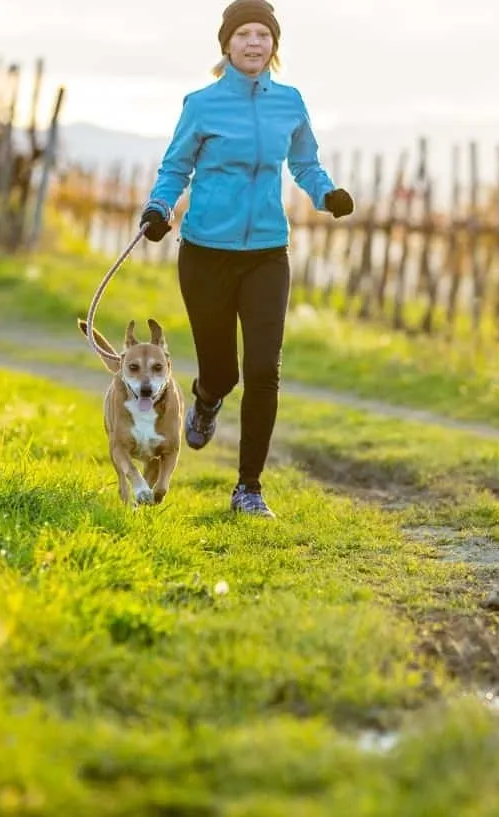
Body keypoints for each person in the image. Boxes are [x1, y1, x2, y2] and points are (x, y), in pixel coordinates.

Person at [137, 0, 354, 519]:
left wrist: (327, 195)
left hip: (266, 255)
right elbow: (175, 169)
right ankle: (207, 398)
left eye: (263, 35)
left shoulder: (290, 102)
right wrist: (158, 207)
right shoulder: (202, 104)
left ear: (274, 45)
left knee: (263, 369)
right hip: (206, 254)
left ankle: (249, 489)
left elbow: (304, 163)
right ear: (227, 45)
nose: (254, 43)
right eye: (244, 35)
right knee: (224, 371)